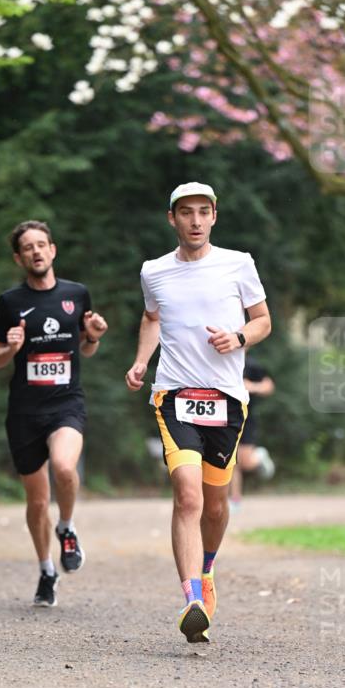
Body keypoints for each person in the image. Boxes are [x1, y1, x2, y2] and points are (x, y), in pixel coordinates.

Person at [125, 182, 271, 643]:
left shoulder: (238, 263)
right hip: (174, 396)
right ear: (172, 218)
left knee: (215, 504)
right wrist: (141, 361)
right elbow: (152, 318)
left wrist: (240, 338)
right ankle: (191, 598)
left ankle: (206, 571)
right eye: (185, 212)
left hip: (227, 398)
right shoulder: (154, 271)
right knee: (187, 495)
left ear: (214, 216)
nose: (194, 220)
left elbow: (263, 319)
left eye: (202, 212)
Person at [0, 220, 108, 607]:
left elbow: (87, 349)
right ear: (19, 257)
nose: (36, 251)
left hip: (65, 403)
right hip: (24, 411)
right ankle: (46, 570)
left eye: (42, 244)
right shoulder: (9, 303)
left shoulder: (76, 294)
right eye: (28, 247)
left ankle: (67, 528)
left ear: (53, 250)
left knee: (64, 467)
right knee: (37, 501)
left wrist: (92, 335)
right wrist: (10, 347)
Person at [229, 355, 276, 508]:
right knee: (231, 461)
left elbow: (269, 386)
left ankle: (259, 456)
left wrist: (251, 387)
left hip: (246, 419)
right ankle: (235, 499)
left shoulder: (251, 364)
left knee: (245, 462)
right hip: (224, 417)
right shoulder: (218, 362)